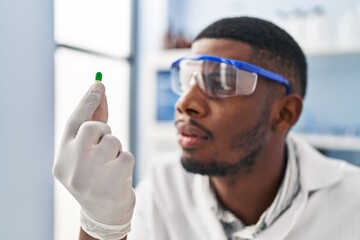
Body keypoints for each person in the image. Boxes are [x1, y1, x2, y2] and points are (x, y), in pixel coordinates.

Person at [53, 16, 360, 240]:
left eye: (222, 81)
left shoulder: (351, 202)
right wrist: (101, 224)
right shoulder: (164, 186)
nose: (185, 103)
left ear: (285, 113)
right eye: (188, 78)